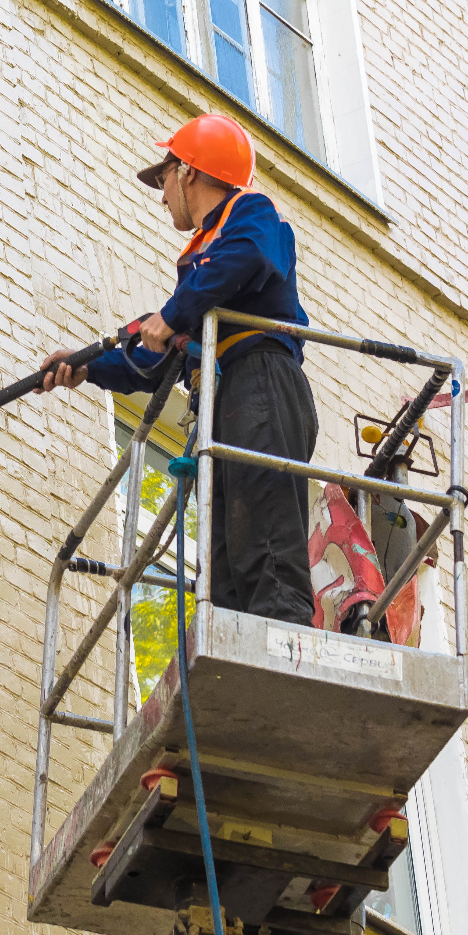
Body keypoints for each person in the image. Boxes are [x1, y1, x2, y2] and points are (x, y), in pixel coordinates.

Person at [40, 113, 318, 625]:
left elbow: (247, 258)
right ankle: (238, 644)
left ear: (188, 171)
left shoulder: (253, 215)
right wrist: (87, 368)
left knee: (265, 535)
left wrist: (170, 315)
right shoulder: (201, 264)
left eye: (163, 177)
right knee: (226, 557)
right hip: (226, 395)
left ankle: (284, 639)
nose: (160, 193)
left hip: (262, 381)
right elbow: (156, 356)